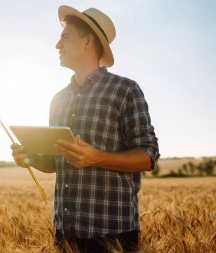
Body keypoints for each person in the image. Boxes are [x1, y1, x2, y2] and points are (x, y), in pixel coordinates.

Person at [11, 5, 159, 253]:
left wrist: (97, 157)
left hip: (113, 236)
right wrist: (30, 158)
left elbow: (148, 156)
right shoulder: (58, 99)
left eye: (65, 37)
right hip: (66, 234)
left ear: (88, 41)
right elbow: (57, 163)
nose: (57, 45)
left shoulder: (125, 90)